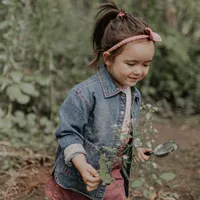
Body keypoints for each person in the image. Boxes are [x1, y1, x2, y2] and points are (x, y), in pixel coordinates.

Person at [45, 1, 162, 200]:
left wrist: (136, 147)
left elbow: (124, 130)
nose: (139, 71)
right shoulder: (84, 94)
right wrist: (82, 165)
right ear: (108, 58)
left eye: (146, 64)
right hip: (78, 179)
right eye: (131, 63)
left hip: (111, 176)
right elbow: (68, 133)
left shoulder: (134, 94)